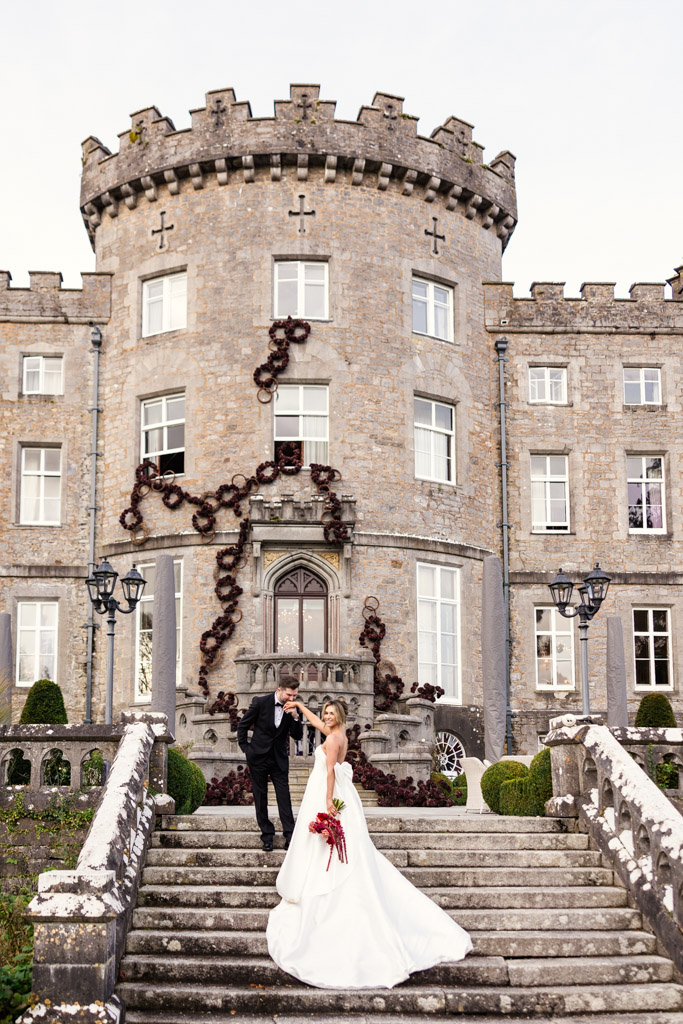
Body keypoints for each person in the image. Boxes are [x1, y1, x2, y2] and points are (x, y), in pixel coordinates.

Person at [266, 696, 472, 989]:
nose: (325, 717)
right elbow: (315, 725)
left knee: (334, 848)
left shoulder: (335, 738)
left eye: (329, 714)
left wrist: (327, 800)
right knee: (331, 845)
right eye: (324, 713)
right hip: (333, 791)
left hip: (327, 792)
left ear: (338, 716)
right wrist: (300, 708)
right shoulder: (336, 734)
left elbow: (329, 771)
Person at [236, 675, 304, 851]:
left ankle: (289, 835)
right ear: (279, 690)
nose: (291, 699)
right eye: (289, 695)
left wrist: (296, 716)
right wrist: (247, 750)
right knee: (260, 797)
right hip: (258, 757)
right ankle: (267, 836)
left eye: (295, 696)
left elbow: (297, 736)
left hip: (279, 759)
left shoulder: (294, 708)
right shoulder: (260, 702)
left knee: (284, 797)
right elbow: (242, 726)